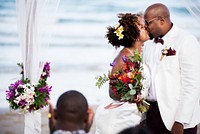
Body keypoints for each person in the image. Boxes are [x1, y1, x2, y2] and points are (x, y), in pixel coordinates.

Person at [143, 3, 200, 134]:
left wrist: (180, 121)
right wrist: (143, 117)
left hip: (177, 116)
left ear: (161, 20)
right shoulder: (147, 46)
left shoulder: (186, 40)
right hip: (152, 115)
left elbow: (192, 85)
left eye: (148, 22)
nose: (145, 26)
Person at [94, 13, 150, 134]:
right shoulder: (125, 57)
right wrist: (132, 96)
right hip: (122, 116)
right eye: (142, 27)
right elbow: (112, 92)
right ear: (135, 35)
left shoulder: (134, 54)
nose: (146, 27)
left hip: (132, 113)